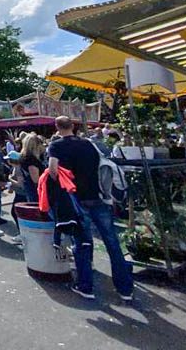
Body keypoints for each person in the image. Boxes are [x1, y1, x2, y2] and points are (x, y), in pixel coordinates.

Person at [48, 116, 134, 301]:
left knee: (82, 242)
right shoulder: (88, 144)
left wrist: (61, 182)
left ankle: (85, 286)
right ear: (73, 126)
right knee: (112, 242)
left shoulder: (57, 146)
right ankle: (125, 288)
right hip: (98, 196)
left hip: (76, 198)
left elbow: (53, 169)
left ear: (57, 127)